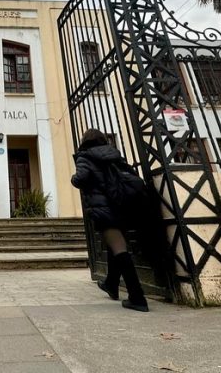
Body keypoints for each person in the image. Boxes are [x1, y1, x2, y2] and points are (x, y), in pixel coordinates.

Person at [70, 129, 149, 312]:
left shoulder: (86, 156)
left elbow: (80, 179)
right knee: (114, 245)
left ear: (85, 141)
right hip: (121, 205)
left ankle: (137, 297)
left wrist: (74, 178)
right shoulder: (113, 154)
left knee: (119, 249)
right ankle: (111, 284)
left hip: (104, 208)